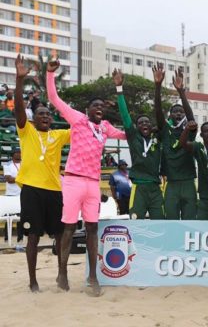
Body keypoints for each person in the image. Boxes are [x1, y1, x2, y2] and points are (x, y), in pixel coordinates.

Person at [47, 57, 126, 296]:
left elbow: (127, 134)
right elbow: (54, 99)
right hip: (72, 180)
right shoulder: (77, 120)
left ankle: (93, 277)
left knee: (93, 228)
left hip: (93, 183)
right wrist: (50, 74)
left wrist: (120, 92)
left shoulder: (105, 128)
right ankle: (62, 272)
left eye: (102, 106)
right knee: (69, 228)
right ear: (87, 110)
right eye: (95, 106)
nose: (99, 108)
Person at [13, 55, 70, 292]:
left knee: (58, 236)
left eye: (48, 115)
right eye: (41, 114)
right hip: (31, 190)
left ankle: (61, 275)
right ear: (33, 119)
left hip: (55, 190)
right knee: (33, 237)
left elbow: (78, 125)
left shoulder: (59, 136)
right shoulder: (26, 132)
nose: (46, 117)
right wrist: (19, 80)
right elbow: (17, 108)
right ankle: (33, 281)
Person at [113, 69, 165, 220]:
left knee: (160, 222)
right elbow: (124, 114)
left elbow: (160, 115)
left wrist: (157, 86)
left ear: (151, 125)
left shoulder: (157, 137)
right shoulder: (133, 137)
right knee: (135, 221)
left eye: (147, 122)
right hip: (139, 187)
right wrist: (119, 89)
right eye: (141, 122)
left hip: (155, 187)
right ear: (136, 127)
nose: (144, 124)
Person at [154, 64, 197, 220]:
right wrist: (158, 86)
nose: (178, 113)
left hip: (188, 183)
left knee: (190, 221)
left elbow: (191, 117)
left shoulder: (190, 129)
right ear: (170, 115)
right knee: (171, 221)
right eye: (175, 111)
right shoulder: (165, 130)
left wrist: (181, 92)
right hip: (171, 183)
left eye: (181, 111)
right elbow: (158, 111)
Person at [3, 147, 23, 244]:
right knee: (9, 217)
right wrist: (21, 179)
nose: (19, 154)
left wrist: (15, 178)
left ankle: (20, 238)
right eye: (17, 152)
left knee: (21, 217)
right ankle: (7, 238)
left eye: (20, 152)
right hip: (10, 194)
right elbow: (9, 180)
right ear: (13, 154)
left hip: (22, 194)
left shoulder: (25, 164)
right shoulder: (7, 165)